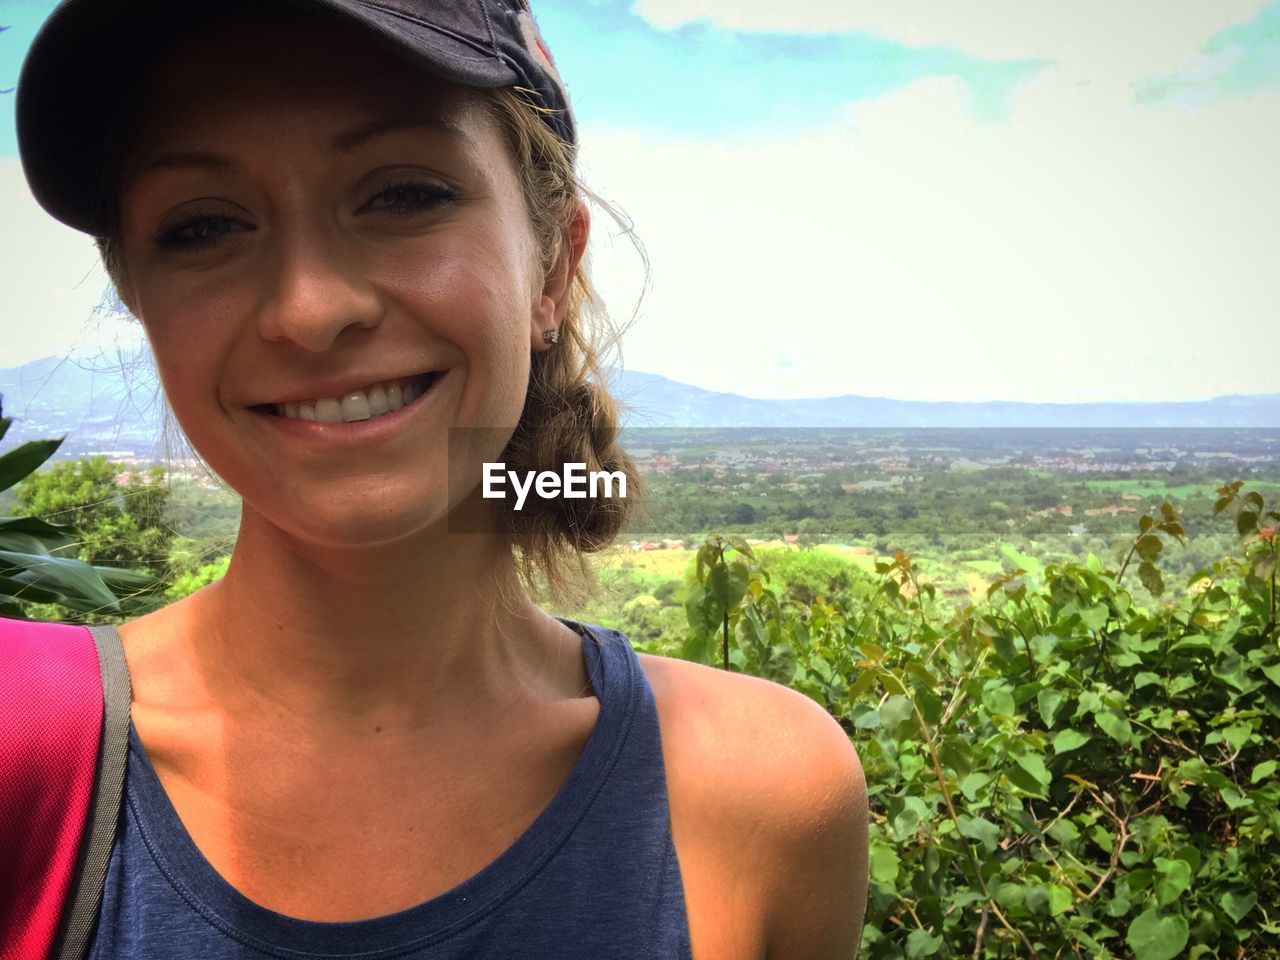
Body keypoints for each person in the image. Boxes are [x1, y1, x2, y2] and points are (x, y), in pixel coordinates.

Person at [13, 1, 869, 956]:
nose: (309, 309)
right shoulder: (27, 751)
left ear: (553, 264)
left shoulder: (759, 796)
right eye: (205, 224)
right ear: (140, 296)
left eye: (403, 195)